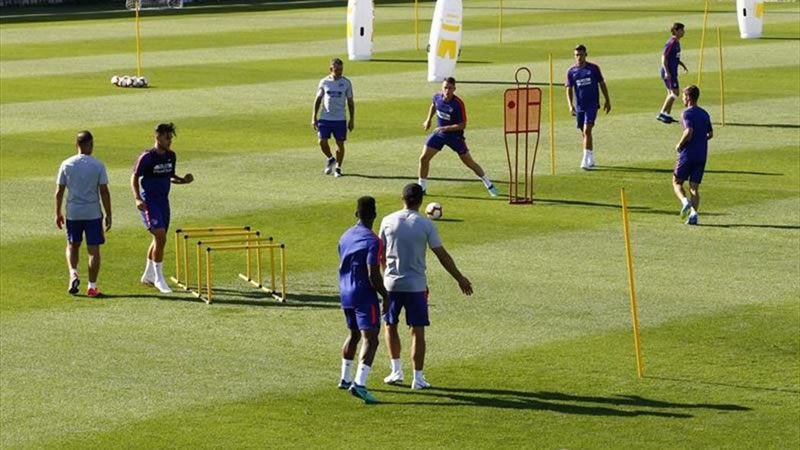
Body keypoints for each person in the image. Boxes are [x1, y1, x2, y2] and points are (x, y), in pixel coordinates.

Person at [380, 183, 473, 389]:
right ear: (421, 201)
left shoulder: (387, 221)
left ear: (402, 198)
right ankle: (418, 378)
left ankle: (396, 371)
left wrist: (385, 274)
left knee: (390, 325)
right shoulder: (426, 224)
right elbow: (442, 255)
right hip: (416, 286)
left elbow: (380, 253)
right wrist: (459, 278)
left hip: (391, 285)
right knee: (417, 330)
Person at [337, 196, 389, 404]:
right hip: (363, 293)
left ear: (356, 214)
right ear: (374, 215)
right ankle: (359, 383)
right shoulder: (373, 241)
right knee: (371, 338)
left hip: (345, 292)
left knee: (354, 334)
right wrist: (385, 295)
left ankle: (345, 378)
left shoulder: (345, 236)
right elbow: (372, 272)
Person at [131, 123, 194, 293]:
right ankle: (159, 278)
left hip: (163, 202)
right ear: (158, 137)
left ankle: (148, 275)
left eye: (171, 138)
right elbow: (134, 177)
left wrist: (183, 180)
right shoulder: (147, 157)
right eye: (167, 138)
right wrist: (137, 198)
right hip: (149, 201)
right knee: (160, 237)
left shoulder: (171, 156)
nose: (170, 141)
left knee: (158, 239)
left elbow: (169, 176)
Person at [418, 77, 498, 197]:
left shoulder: (458, 104)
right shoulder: (437, 97)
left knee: (469, 162)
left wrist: (445, 128)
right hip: (439, 134)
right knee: (424, 158)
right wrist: (428, 120)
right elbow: (434, 105)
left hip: (455, 137)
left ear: (454, 89)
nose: (447, 90)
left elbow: (462, 125)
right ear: (442, 88)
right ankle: (422, 188)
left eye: (450, 88)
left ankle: (488, 184)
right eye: (445, 87)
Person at [55, 130, 112, 297]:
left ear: (77, 145)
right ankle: (92, 287)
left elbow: (59, 191)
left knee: (72, 245)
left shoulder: (66, 164)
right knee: (93, 250)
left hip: (73, 212)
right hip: (92, 212)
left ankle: (73, 273)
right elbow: (104, 191)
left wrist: (57, 213)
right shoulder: (98, 165)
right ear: (91, 145)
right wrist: (109, 214)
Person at [565, 44, 611, 170]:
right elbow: (569, 89)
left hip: (592, 104)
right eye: (577, 55)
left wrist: (607, 100)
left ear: (586, 55)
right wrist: (570, 105)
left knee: (587, 130)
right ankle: (590, 157)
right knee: (584, 132)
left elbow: (602, 84)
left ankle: (585, 160)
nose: (579, 57)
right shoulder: (571, 72)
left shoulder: (593, 69)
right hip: (580, 106)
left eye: (581, 55)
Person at [672, 85, 712, 226]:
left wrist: (680, 144)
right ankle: (693, 215)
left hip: (688, 154)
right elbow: (710, 134)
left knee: (677, 182)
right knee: (694, 188)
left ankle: (685, 202)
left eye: (684, 96)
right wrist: (700, 140)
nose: (683, 99)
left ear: (688, 97)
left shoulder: (687, 113)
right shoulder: (705, 114)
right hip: (702, 155)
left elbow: (689, 131)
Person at [312, 57, 354, 178]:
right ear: (331, 69)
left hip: (340, 119)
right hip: (325, 118)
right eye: (337, 70)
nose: (339, 72)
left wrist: (352, 119)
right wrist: (314, 116)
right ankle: (330, 158)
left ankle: (338, 168)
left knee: (340, 143)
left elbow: (350, 102)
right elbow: (318, 99)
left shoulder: (346, 83)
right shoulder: (324, 82)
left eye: (341, 69)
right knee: (321, 141)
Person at [657, 23, 688, 124]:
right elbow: (664, 58)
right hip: (669, 72)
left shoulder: (677, 43)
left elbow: (675, 58)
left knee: (670, 93)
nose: (683, 32)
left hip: (673, 71)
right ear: (675, 31)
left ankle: (667, 114)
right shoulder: (671, 43)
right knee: (675, 93)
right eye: (681, 30)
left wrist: (682, 65)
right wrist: (667, 72)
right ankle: (662, 113)